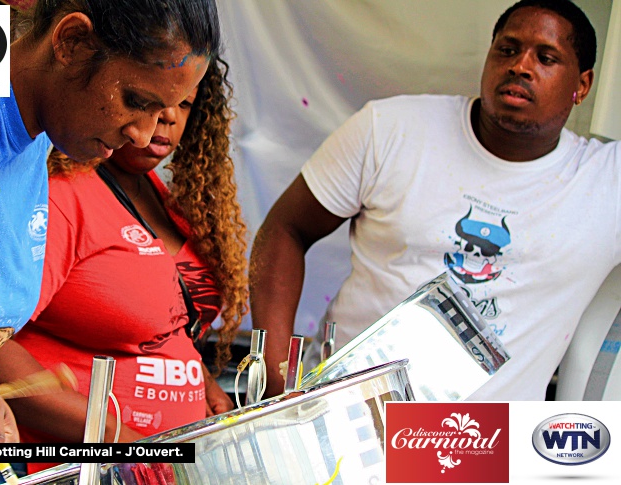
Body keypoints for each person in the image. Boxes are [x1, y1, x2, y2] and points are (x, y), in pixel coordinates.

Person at [0, 0, 221, 482]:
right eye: (135, 100)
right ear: (70, 43)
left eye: (165, 110)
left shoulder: (44, 134)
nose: (142, 134)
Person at [249, 0, 620, 401]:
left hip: (485, 448)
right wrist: (274, 377)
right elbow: (286, 229)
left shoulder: (606, 182)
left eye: (546, 58)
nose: (520, 66)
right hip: (350, 424)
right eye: (507, 49)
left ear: (582, 85)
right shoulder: (390, 129)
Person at [0, 54, 247, 479]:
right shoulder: (65, 195)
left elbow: (158, 327)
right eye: (149, 101)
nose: (166, 119)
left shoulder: (165, 198)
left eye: (184, 104)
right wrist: (119, 438)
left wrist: (201, 382)